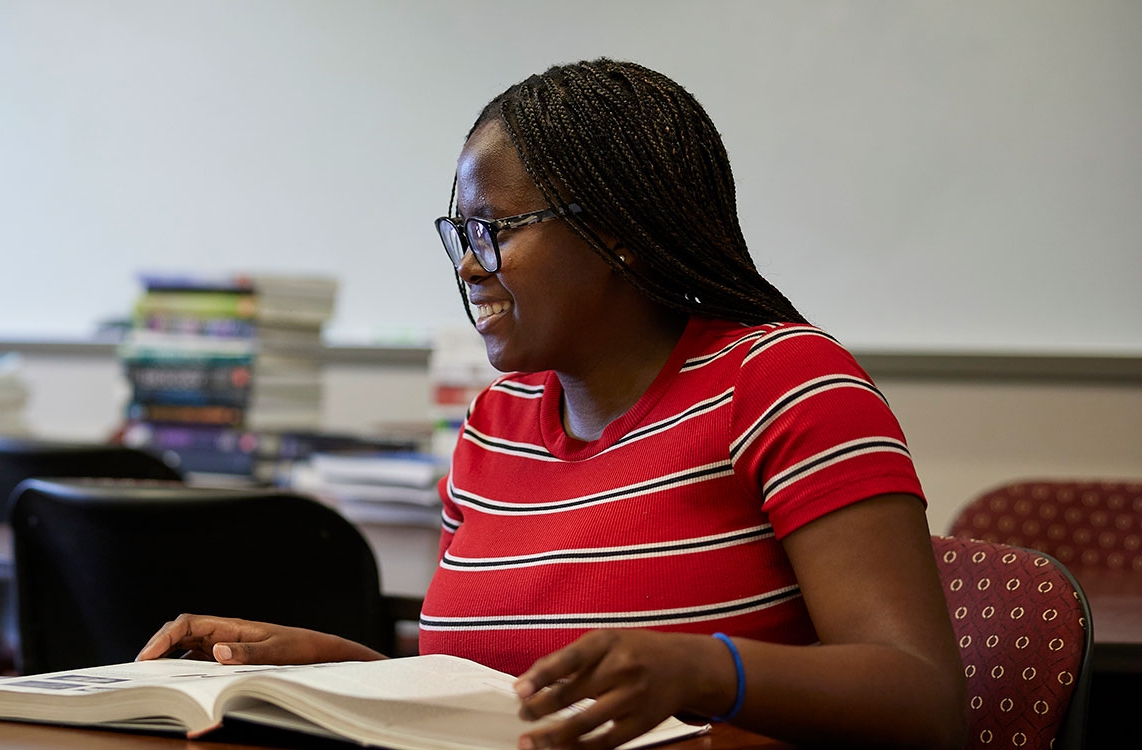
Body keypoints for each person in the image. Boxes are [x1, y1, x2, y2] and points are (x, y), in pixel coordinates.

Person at [137, 59, 966, 749]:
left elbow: (924, 699)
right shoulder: (497, 426)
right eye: (459, 234)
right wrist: (336, 669)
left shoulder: (784, 384)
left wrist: (706, 671)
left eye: (494, 228)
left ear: (618, 234)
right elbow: (499, 696)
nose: (468, 265)